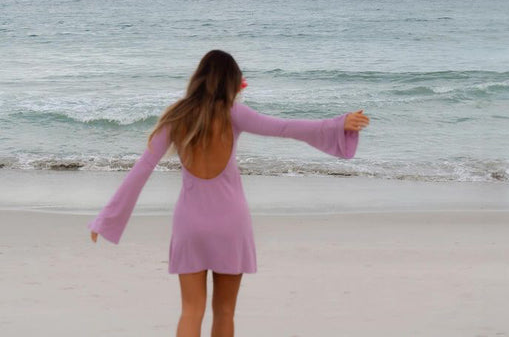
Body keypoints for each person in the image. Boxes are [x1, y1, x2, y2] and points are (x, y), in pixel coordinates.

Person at [88, 49, 370, 337]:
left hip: (190, 226)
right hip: (230, 225)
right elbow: (284, 128)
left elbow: (142, 169)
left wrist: (106, 219)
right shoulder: (233, 113)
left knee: (191, 310)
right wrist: (337, 125)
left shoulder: (178, 115)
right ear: (231, 82)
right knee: (224, 312)